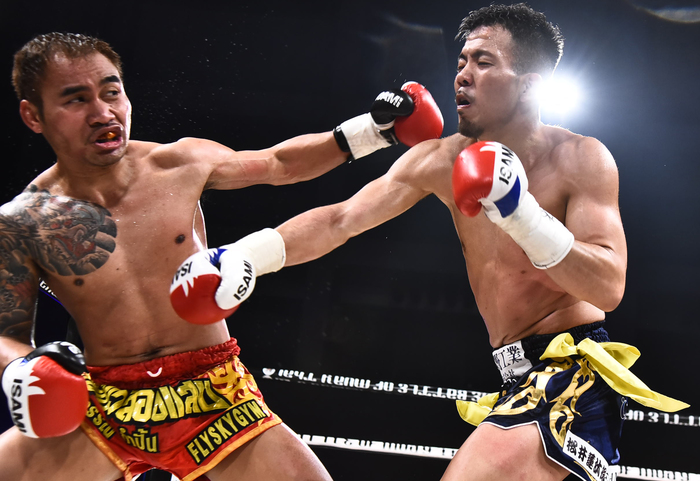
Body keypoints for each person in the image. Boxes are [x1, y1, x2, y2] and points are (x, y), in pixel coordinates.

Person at [183, 4, 689, 481]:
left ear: (530, 84)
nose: (462, 74)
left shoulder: (580, 158)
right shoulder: (439, 160)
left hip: (572, 376)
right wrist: (244, 256)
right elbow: (340, 219)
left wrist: (521, 213)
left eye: (484, 62)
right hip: (513, 379)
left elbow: (608, 285)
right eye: (462, 60)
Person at [0, 32, 443, 481]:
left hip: (213, 392)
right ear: (33, 115)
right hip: (106, 402)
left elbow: (279, 163)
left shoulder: (177, 164)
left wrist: (376, 129)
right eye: (76, 100)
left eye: (111, 92)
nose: (103, 112)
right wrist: (23, 366)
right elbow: (5, 333)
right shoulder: (22, 222)